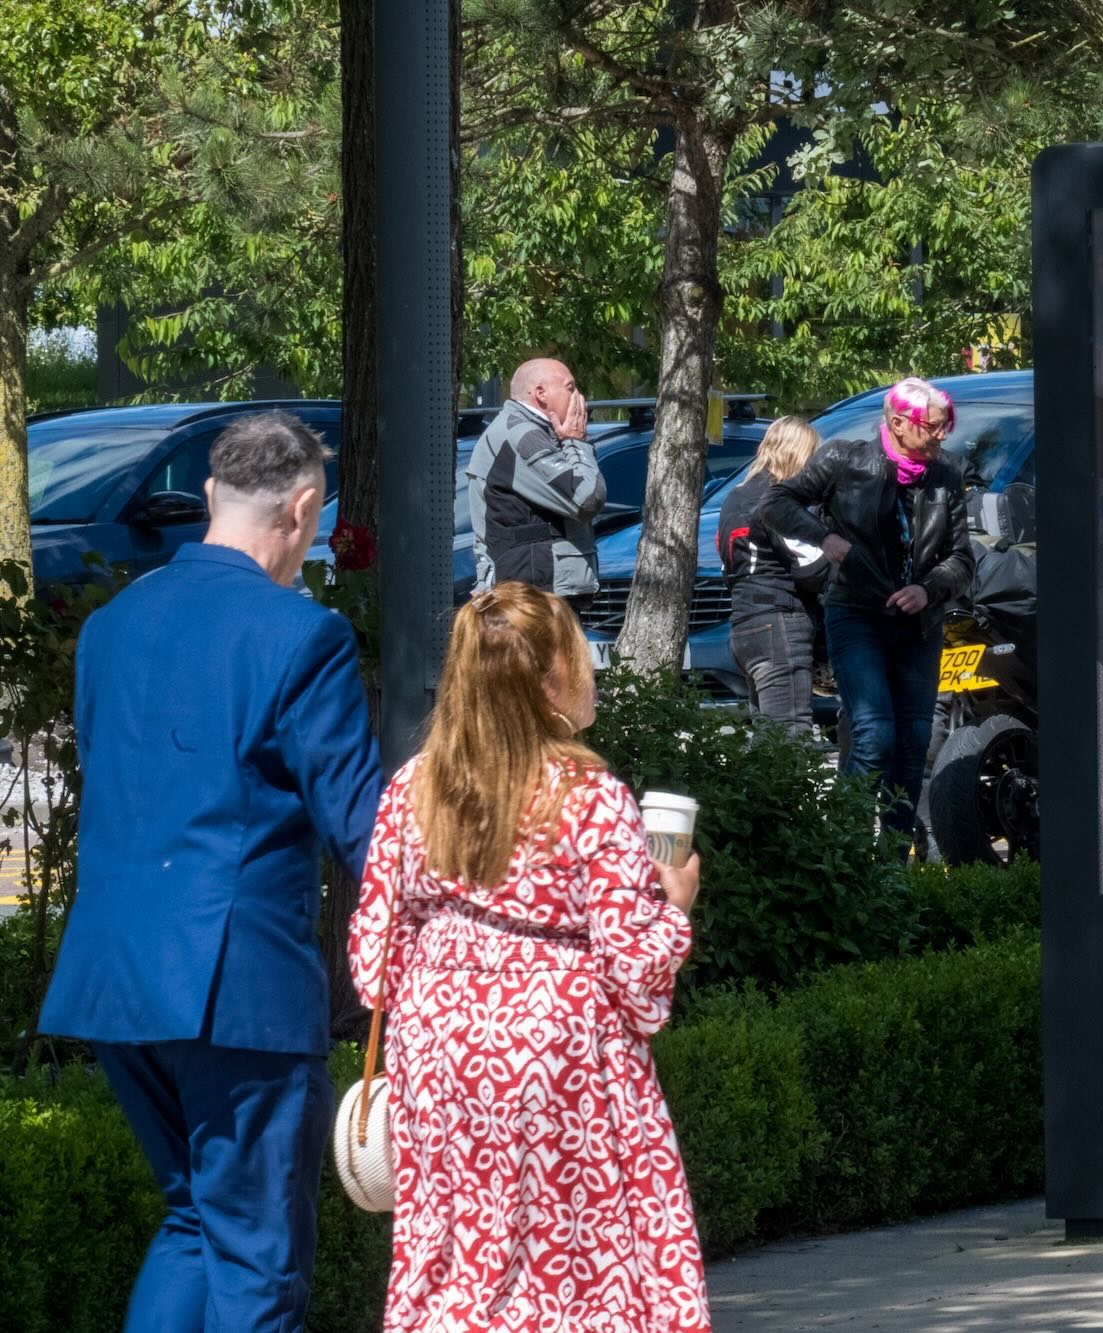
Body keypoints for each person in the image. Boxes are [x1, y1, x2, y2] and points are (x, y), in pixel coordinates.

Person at [39, 411, 383, 1332]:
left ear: (209, 499)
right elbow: (366, 829)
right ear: (305, 508)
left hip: (115, 977)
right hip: (236, 988)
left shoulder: (110, 627)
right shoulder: (300, 636)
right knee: (259, 1258)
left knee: (195, 1217)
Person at [347, 581, 710, 1332]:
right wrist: (673, 903)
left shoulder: (413, 789)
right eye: (578, 656)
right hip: (560, 1058)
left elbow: (372, 961)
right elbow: (634, 968)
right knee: (575, 1267)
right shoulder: (589, 796)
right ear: (548, 678)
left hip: (438, 1052)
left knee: (457, 1259)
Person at [763, 376, 974, 836]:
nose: (942, 435)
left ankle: (892, 866)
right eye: (933, 427)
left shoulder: (947, 474)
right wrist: (825, 538)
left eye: (946, 426)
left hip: (919, 623)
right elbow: (777, 503)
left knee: (916, 738)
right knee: (875, 731)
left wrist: (929, 588)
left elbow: (962, 559)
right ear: (898, 423)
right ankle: (848, 847)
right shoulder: (845, 459)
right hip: (856, 613)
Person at [467, 356, 607, 615]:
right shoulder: (522, 435)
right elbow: (587, 498)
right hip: (533, 599)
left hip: (538, 592)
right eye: (570, 387)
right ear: (541, 393)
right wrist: (577, 443)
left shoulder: (534, 431)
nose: (579, 396)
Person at [718, 415, 830, 731]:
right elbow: (813, 568)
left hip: (743, 628)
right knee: (791, 735)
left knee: (770, 745)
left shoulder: (733, 498)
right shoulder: (777, 499)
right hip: (779, 625)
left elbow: (729, 565)